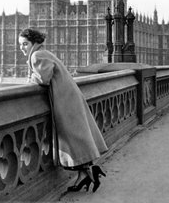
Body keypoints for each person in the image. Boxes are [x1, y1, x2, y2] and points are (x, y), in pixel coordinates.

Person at [18, 28, 107, 193]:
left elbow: (42, 79)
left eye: (25, 44)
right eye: (21, 44)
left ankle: (88, 171)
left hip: (65, 101)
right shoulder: (43, 52)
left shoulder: (37, 55)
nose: (22, 48)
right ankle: (87, 173)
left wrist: (29, 78)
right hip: (68, 98)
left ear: (34, 43)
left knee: (71, 138)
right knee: (75, 138)